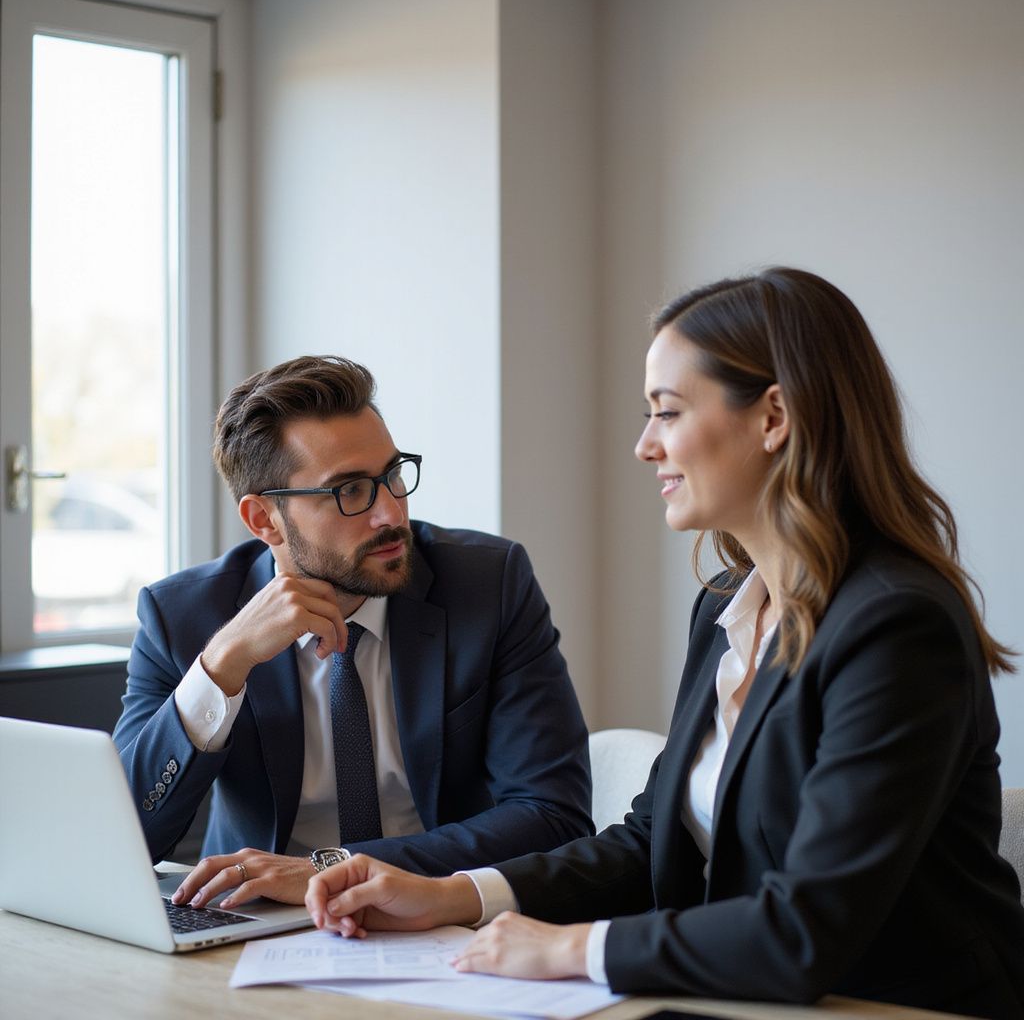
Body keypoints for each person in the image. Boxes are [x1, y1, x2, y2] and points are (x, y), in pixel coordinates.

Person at [304, 269, 1024, 1019]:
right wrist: (456, 896)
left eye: (667, 412)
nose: (645, 445)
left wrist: (569, 949)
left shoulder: (897, 625)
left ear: (774, 415)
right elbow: (653, 838)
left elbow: (810, 927)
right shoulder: (726, 607)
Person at [112, 355, 592, 910]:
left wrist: (331, 868)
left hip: (436, 912)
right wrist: (219, 670)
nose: (390, 514)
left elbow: (553, 815)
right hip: (252, 922)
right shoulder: (183, 616)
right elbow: (128, 836)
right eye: (349, 491)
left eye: (392, 476)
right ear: (264, 520)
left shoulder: (487, 585)